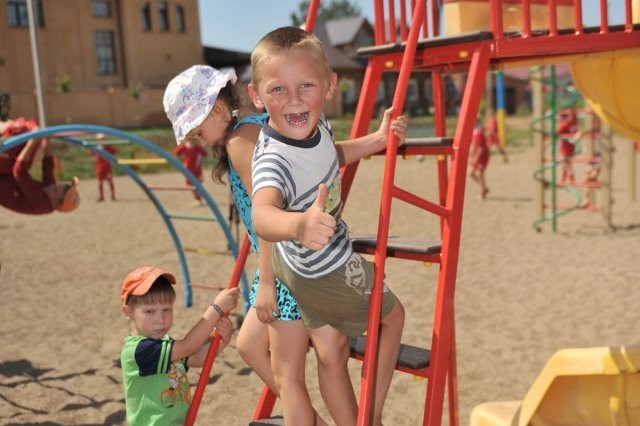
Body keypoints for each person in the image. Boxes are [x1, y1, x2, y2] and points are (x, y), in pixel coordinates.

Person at [248, 26, 407, 426]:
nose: (294, 99)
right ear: (256, 95)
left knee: (332, 348)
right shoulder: (273, 160)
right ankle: (369, 419)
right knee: (392, 318)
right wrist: (299, 225)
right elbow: (262, 213)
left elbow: (330, 155)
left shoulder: (316, 127)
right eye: (278, 90)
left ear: (330, 85)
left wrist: (376, 140)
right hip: (323, 267)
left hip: (297, 268)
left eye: (306, 85)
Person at [163, 64, 331, 426]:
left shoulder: (241, 141)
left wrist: (267, 282)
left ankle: (305, 420)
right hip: (285, 256)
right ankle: (310, 419)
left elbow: (268, 212)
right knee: (249, 345)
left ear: (218, 109)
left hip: (283, 264)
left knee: (288, 376)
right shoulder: (252, 129)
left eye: (196, 130)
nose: (196, 139)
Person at [120, 265, 239, 425]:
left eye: (166, 309)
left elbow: (196, 358)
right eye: (150, 311)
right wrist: (216, 309)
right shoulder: (138, 350)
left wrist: (222, 341)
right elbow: (188, 346)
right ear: (128, 312)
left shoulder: (164, 344)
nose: (160, 319)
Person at [0, 136, 80, 214]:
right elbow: (48, 164)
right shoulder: (51, 192)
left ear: (56, 203)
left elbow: (19, 171)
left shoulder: (41, 201)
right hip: (6, 176)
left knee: (26, 149)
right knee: (31, 143)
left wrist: (32, 141)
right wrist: (47, 138)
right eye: (66, 186)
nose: (60, 185)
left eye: (64, 189)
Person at [173, 139, 208, 205]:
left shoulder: (198, 147)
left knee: (198, 185)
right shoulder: (185, 146)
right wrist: (182, 144)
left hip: (197, 170)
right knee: (192, 186)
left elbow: (206, 154)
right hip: (188, 170)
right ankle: (198, 199)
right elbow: (176, 152)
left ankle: (201, 199)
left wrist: (201, 146)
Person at [88, 137, 117, 202]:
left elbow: (115, 151)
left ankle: (113, 196)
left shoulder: (108, 147)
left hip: (107, 167)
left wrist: (110, 145)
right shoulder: (97, 148)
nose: (102, 141)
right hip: (100, 167)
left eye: (103, 139)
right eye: (100, 139)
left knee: (110, 181)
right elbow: (90, 153)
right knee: (100, 182)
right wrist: (93, 147)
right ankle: (101, 196)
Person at [469, 120, 490, 199]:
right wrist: (471, 156)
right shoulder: (474, 131)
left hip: (481, 156)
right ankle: (483, 187)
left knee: (480, 174)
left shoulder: (479, 132)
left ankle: (482, 192)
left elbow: (480, 148)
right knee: (471, 173)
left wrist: (476, 158)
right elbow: (473, 145)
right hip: (476, 156)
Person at [557, 108, 579, 184]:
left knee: (567, 164)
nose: (558, 118)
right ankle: (563, 180)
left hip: (565, 147)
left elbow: (556, 133)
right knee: (566, 163)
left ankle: (572, 181)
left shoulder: (564, 124)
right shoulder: (572, 123)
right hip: (571, 146)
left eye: (559, 116)